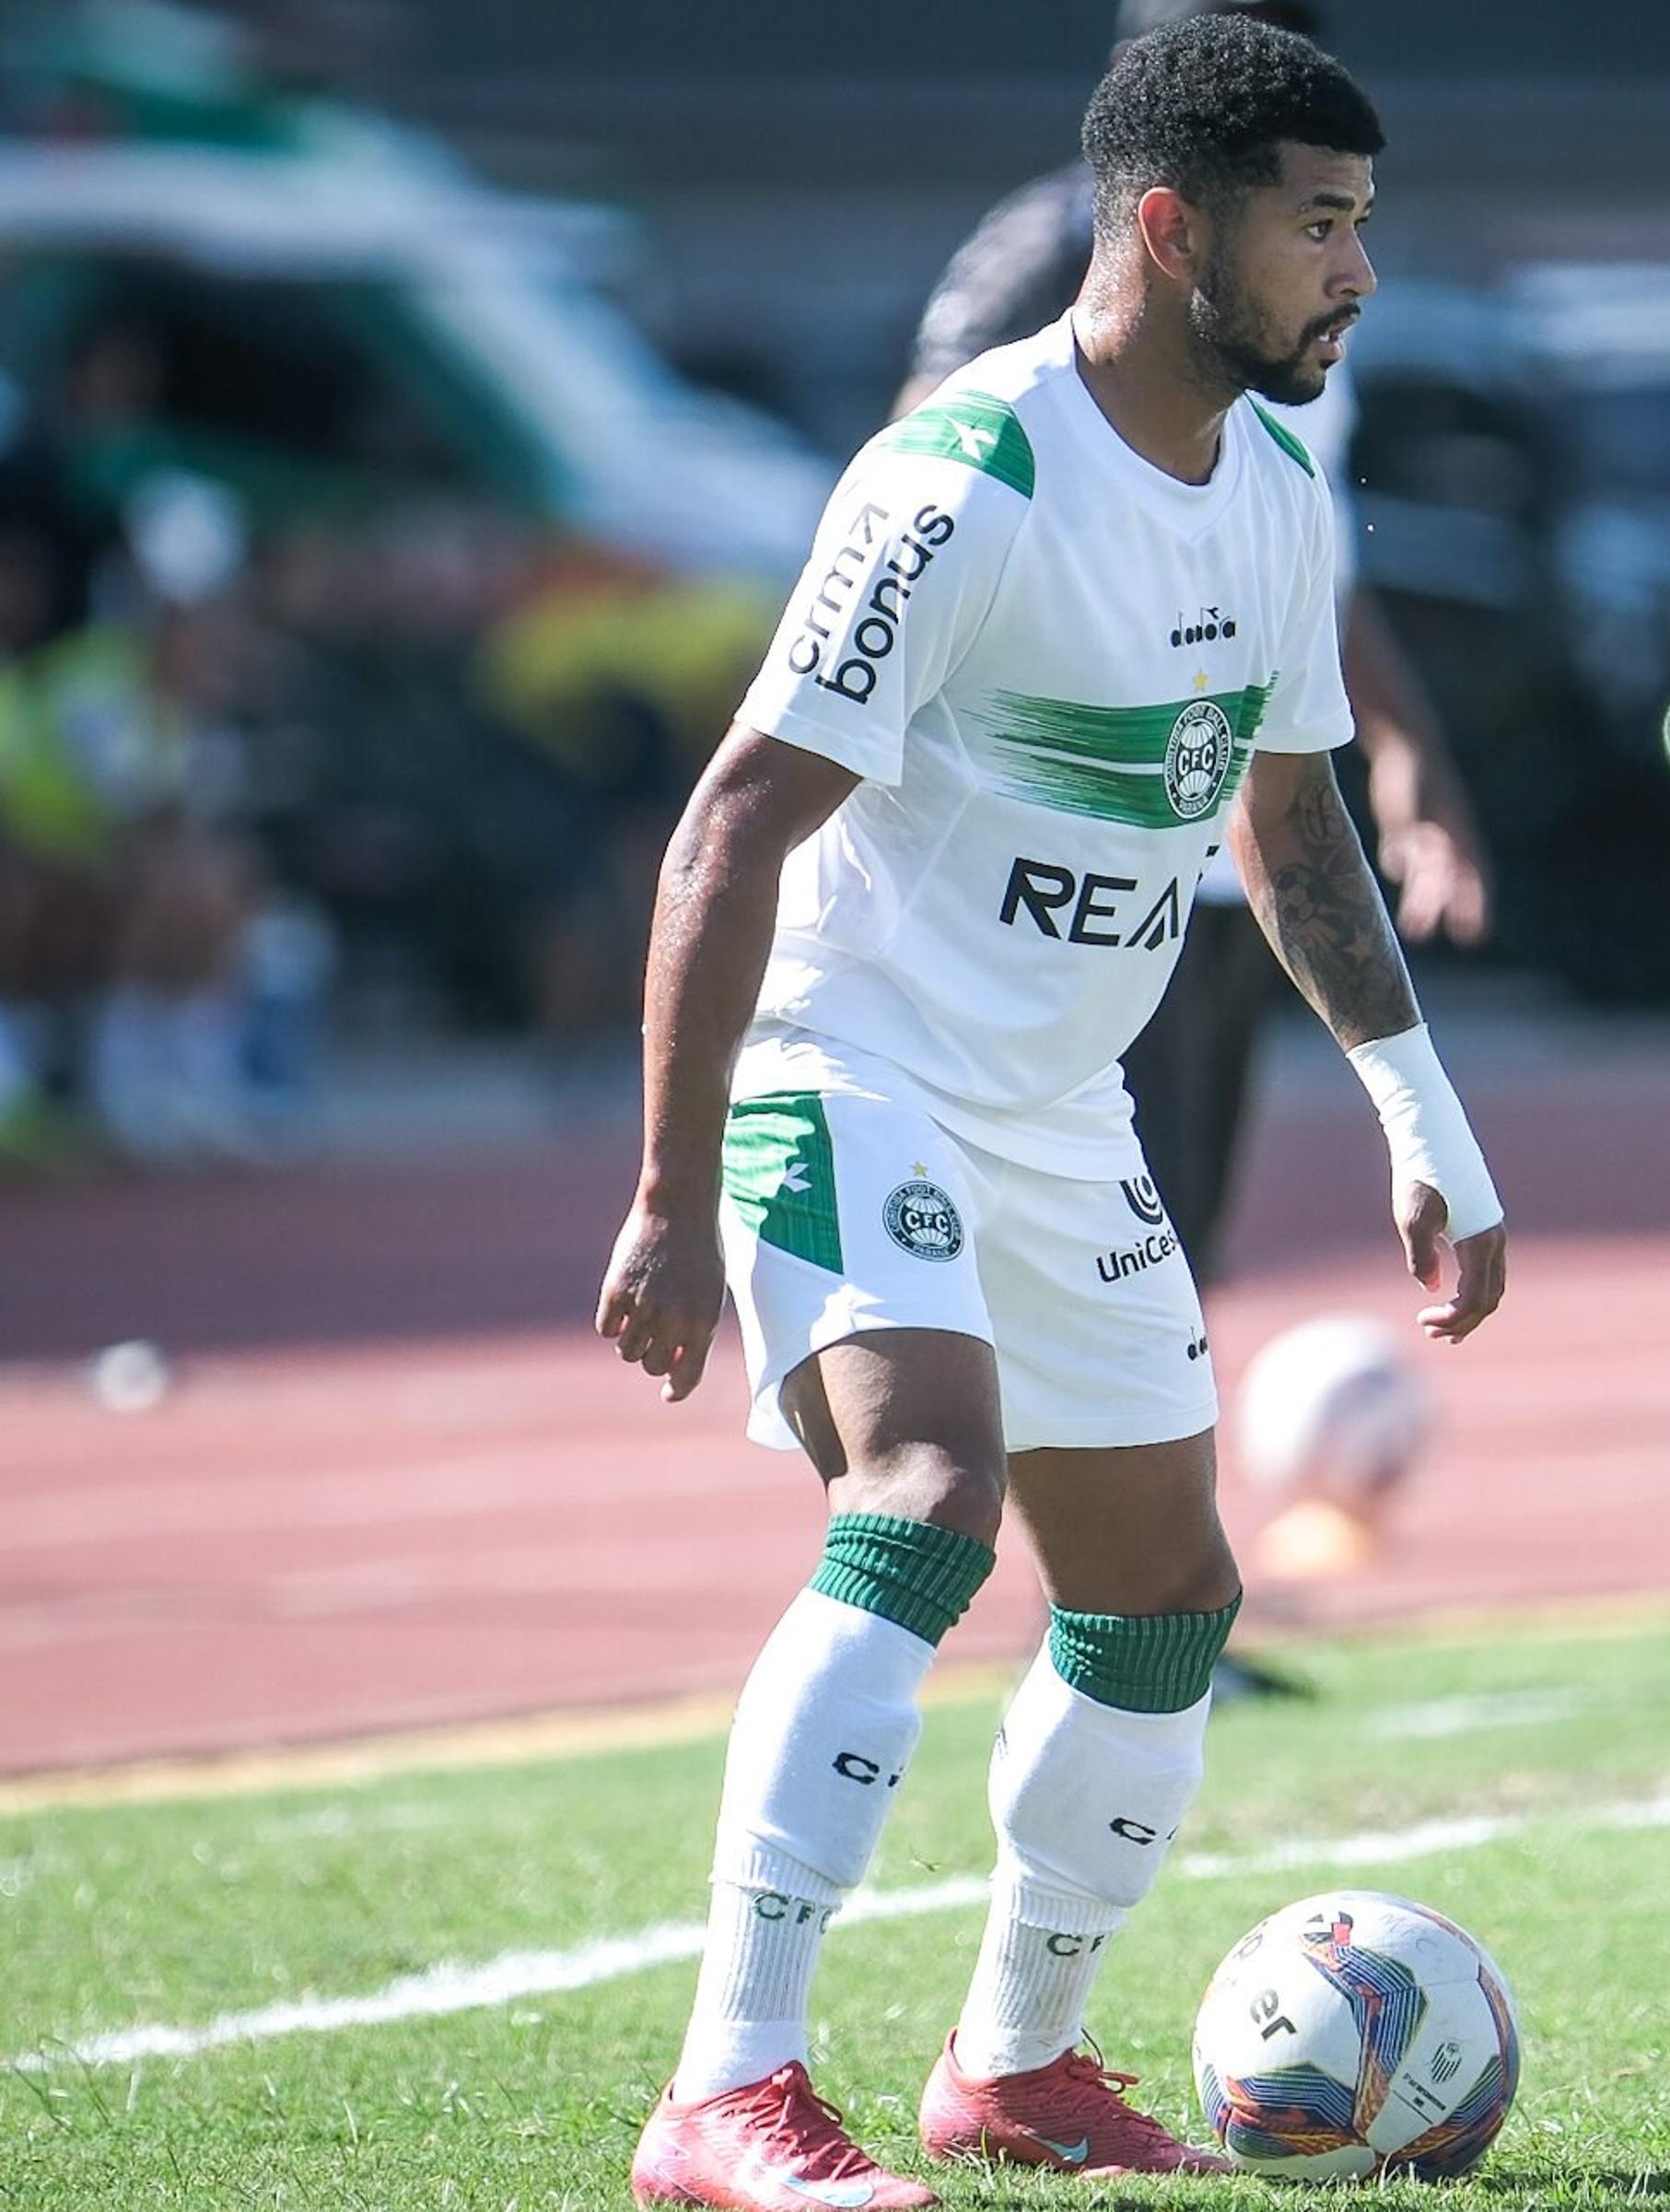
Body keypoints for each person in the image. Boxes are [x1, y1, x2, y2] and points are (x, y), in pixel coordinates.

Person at [594, 21, 1506, 2206]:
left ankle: (1014, 2065)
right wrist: (662, 1184)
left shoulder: (1280, 497)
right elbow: (730, 826)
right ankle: (725, 2092)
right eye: (1320, 225)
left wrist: (1425, 1114)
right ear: (1170, 225)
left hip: (1054, 1098)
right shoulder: (962, 479)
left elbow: (1294, 842)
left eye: (1366, 224)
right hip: (853, 1056)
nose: (1355, 272)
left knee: (1167, 1588)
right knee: (924, 1493)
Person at [905, 0, 1489, 1277]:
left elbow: (1300, 561)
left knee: (1177, 1245)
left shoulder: (1300, 300)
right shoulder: (1054, 250)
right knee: (1070, 1267)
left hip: (1224, 842)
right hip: (1059, 850)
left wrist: (1401, 746)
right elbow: (927, 504)